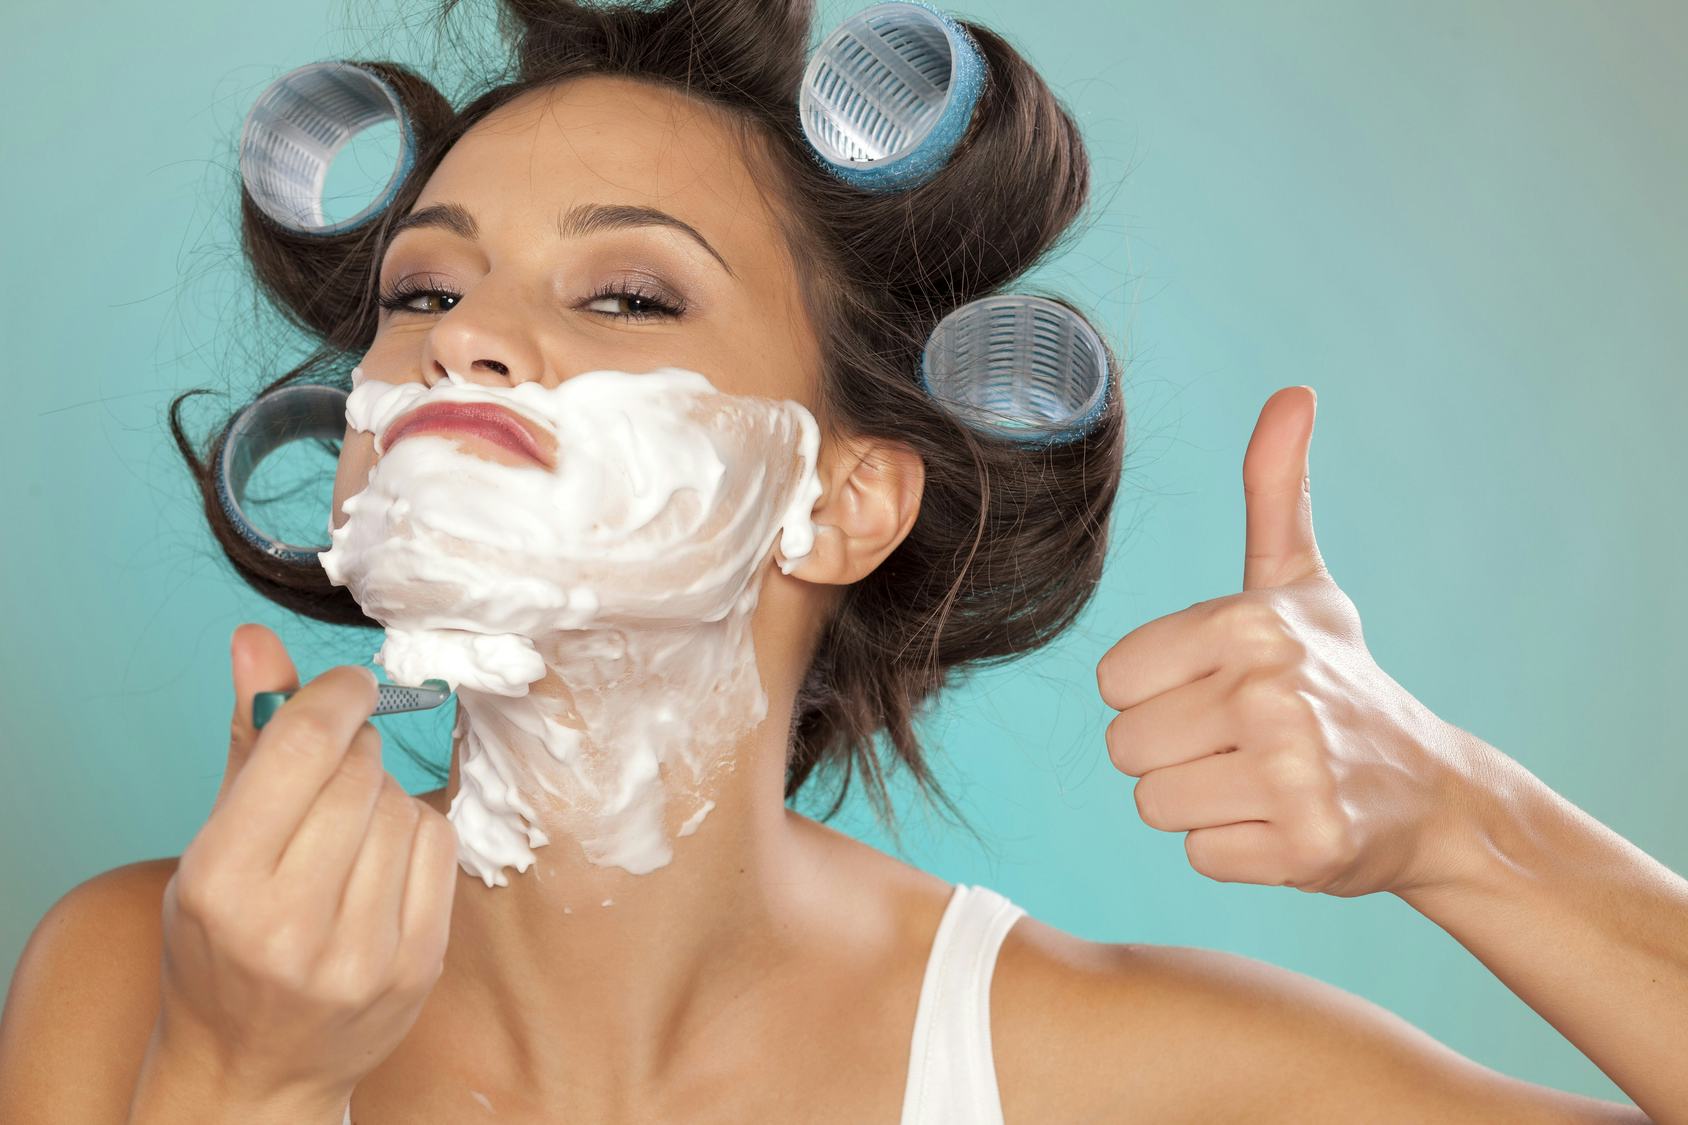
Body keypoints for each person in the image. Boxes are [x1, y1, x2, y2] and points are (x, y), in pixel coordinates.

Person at [3, 1, 1685, 1121]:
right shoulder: (137, 976)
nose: (461, 341)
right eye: (425, 291)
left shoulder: (1078, 1074)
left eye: (627, 294)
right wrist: (238, 1082)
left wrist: (1467, 827)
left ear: (841, 500)